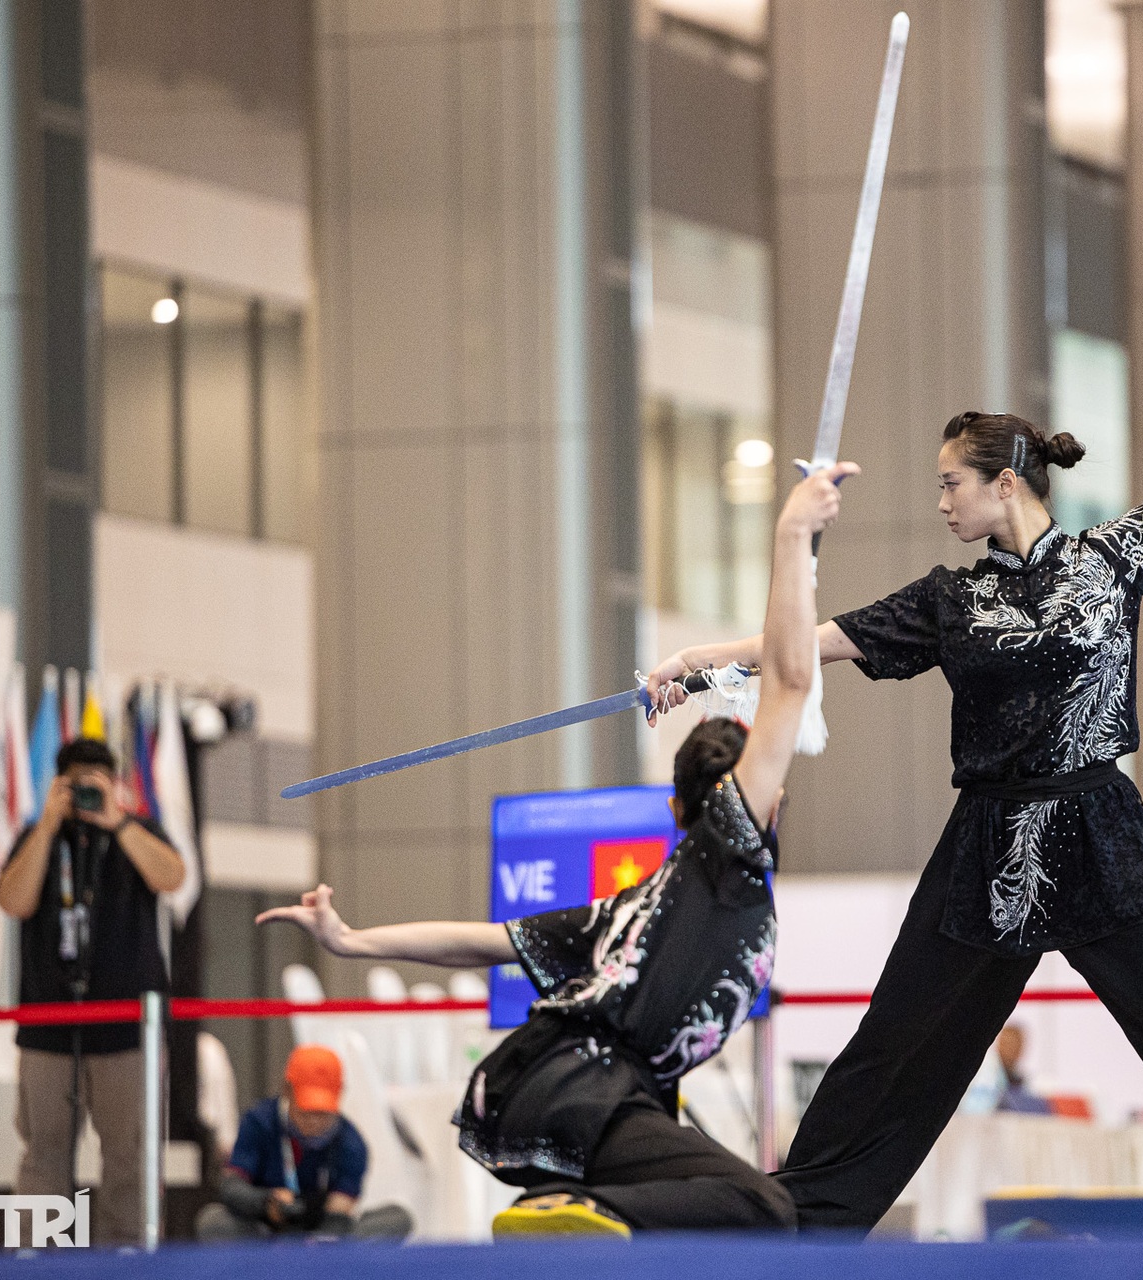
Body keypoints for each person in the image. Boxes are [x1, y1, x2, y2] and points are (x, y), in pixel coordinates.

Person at [649, 275, 1143, 1240]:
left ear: (1005, 482)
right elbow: (813, 642)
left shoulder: (1116, 557)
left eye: (951, 481)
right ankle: (799, 1226)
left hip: (1101, 831)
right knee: (898, 1045)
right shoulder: (947, 601)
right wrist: (701, 664)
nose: (940, 499)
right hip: (988, 846)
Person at [259, 460, 859, 1238]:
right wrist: (790, 536)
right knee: (766, 1209)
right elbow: (787, 680)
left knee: (712, 1207)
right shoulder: (731, 847)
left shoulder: (635, 906)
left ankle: (580, 1219)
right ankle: (581, 1213)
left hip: (558, 1089)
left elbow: (481, 942)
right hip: (582, 1087)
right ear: (746, 802)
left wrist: (352, 939)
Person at [0, 737, 186, 1246]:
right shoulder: (37, 837)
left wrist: (117, 822)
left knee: (129, 1155)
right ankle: (38, 1258)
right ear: (57, 785)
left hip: (125, 1026)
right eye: (75, 786)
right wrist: (49, 825)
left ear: (115, 784)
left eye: (95, 785)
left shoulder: (136, 832)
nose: (85, 797)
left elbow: (173, 877)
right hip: (48, 1025)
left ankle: (125, 1259)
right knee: (43, 1154)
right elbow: (13, 900)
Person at [195, 1045, 413, 1242]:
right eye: (306, 1112)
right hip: (266, 1230)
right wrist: (266, 1202)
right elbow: (232, 1187)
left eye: (324, 1113)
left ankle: (319, 1262)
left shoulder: (352, 1143)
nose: (315, 1122)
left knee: (398, 1218)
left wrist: (325, 1234)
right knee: (214, 1221)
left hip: (324, 1236)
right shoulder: (258, 1123)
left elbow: (340, 1209)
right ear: (287, 1090)